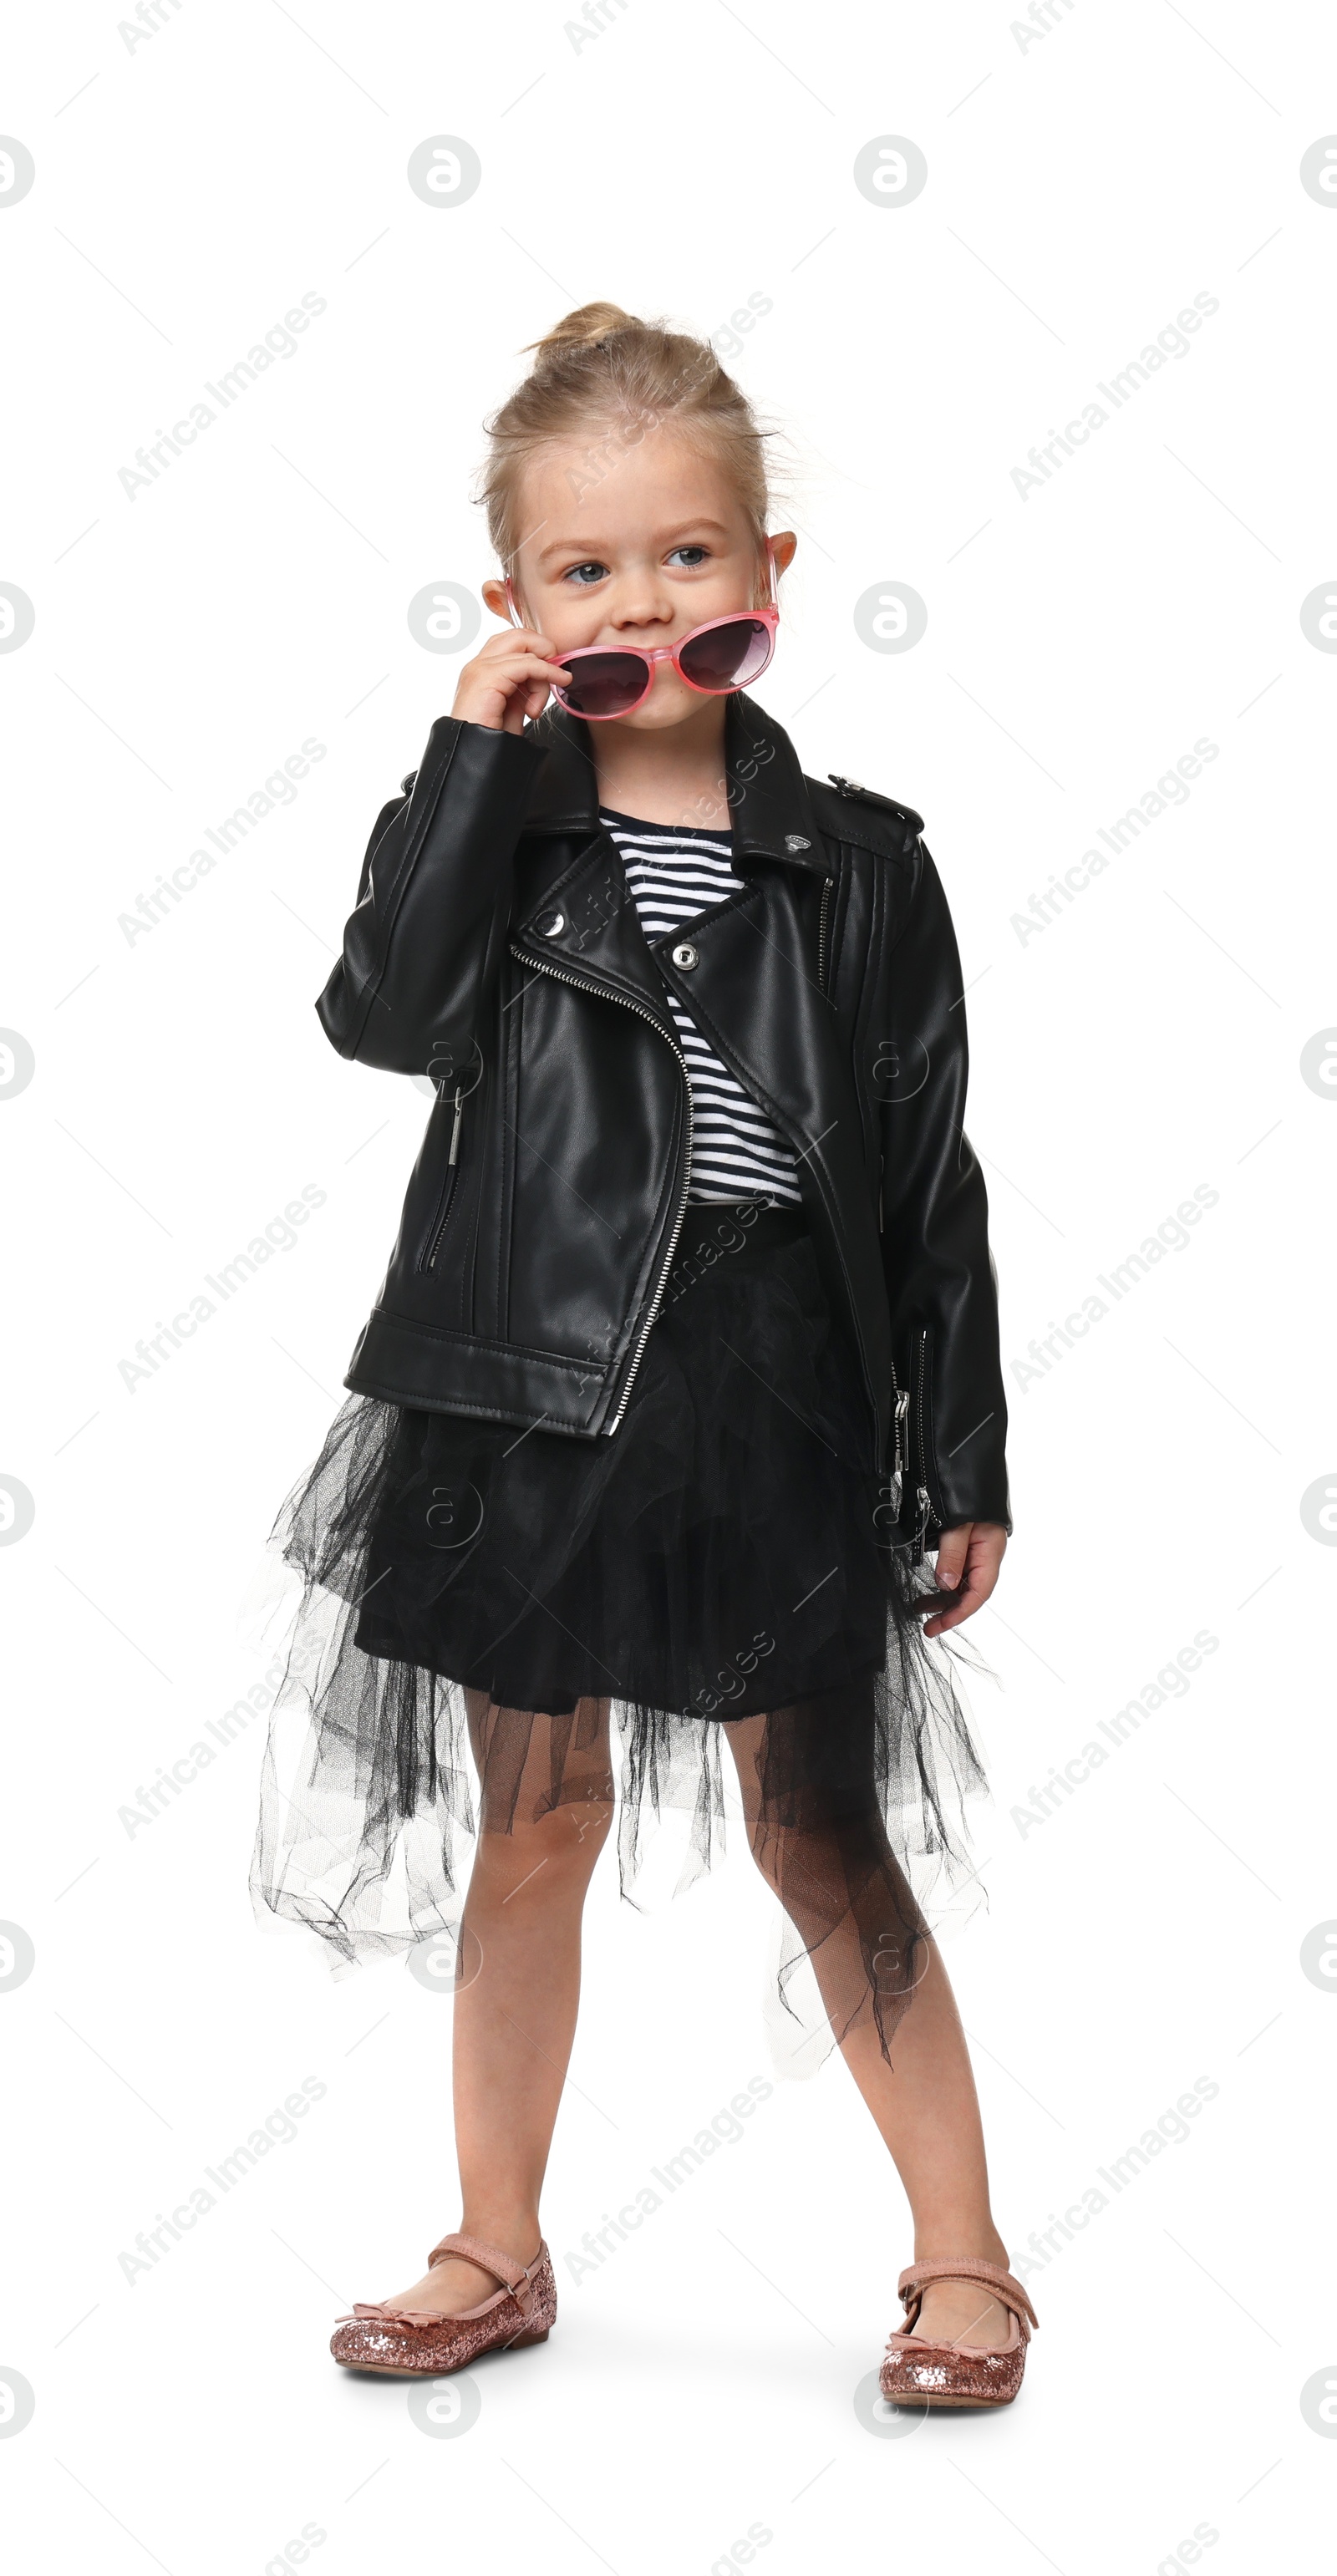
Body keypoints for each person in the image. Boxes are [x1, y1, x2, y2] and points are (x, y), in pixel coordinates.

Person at [248, 302, 1038, 2407]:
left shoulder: (861, 863)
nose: (641, 600)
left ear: (765, 572)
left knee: (821, 1830)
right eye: (584, 571)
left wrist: (951, 1450)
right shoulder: (494, 834)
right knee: (534, 1821)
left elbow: (923, 1173)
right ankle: (489, 2244)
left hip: (774, 1388)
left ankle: (961, 2257)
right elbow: (383, 1020)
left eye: (686, 556)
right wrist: (465, 762)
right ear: (514, 603)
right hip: (531, 1386)